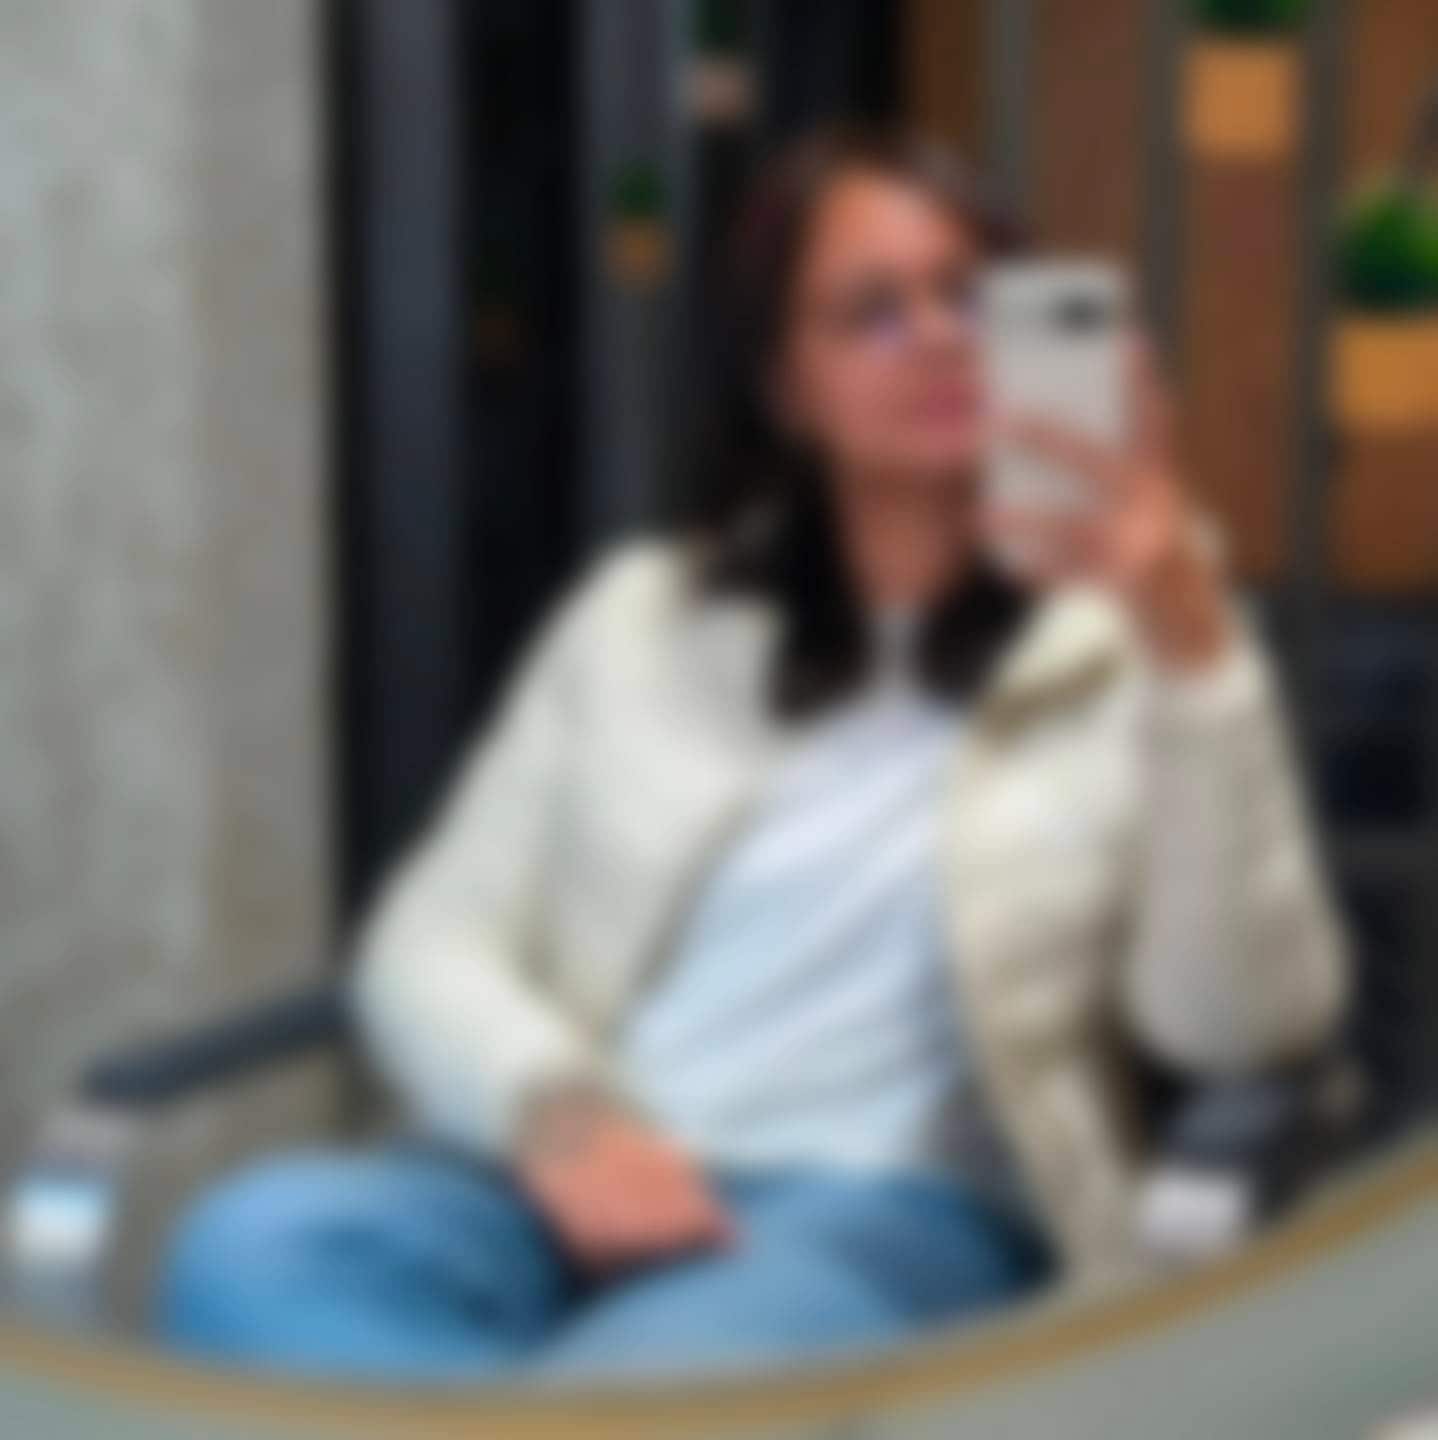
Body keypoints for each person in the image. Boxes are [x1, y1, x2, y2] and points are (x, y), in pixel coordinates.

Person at [157, 125, 1349, 1384]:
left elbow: (1241, 1029)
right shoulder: (643, 618)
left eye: (967, 295)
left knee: (648, 1387)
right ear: (787, 387)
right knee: (247, 1248)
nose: (938, 336)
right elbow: (427, 936)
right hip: (583, 1171)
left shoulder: (1138, 640)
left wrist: (1186, 638)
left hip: (889, 1216)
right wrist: (559, 1115)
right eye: (871, 312)